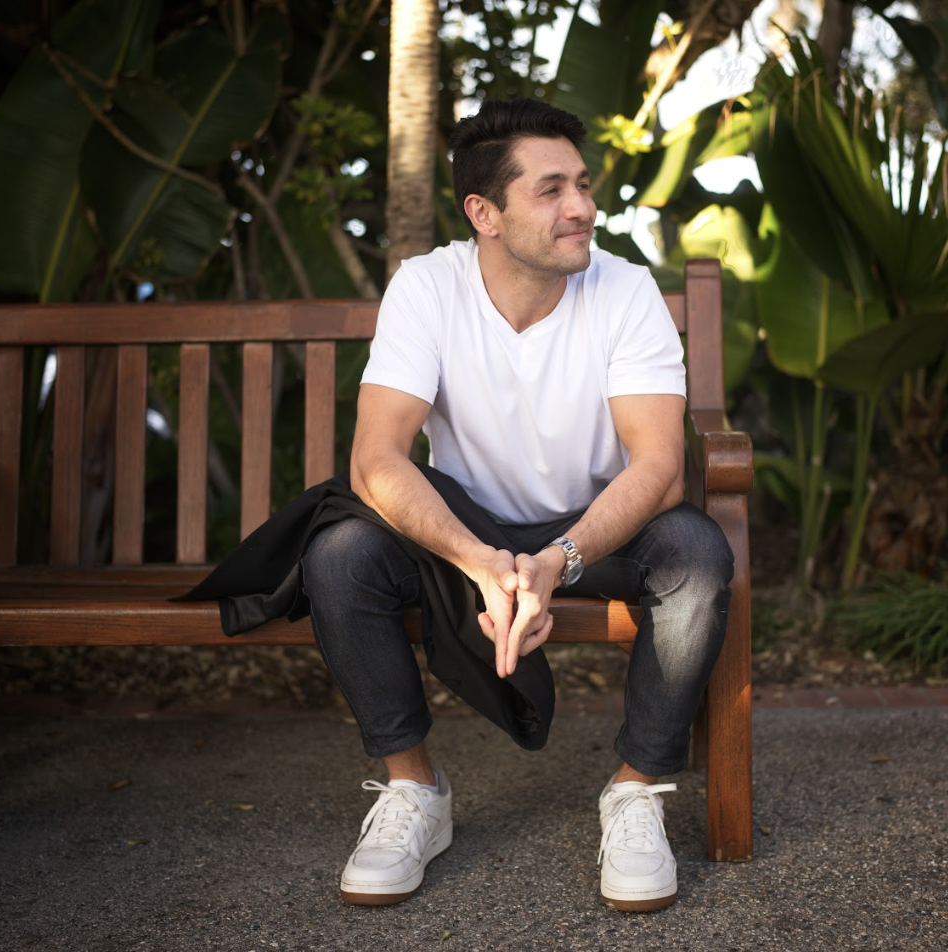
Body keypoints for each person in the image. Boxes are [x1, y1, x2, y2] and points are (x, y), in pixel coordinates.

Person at [299, 97, 733, 912]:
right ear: (483, 213)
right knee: (340, 554)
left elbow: (660, 468)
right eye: (551, 190)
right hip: (468, 532)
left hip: (600, 528)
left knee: (696, 553)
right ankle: (415, 792)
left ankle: (637, 791)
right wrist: (480, 560)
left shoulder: (626, 290)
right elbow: (378, 458)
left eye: (583, 185)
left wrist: (555, 561)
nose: (581, 208)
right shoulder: (428, 288)